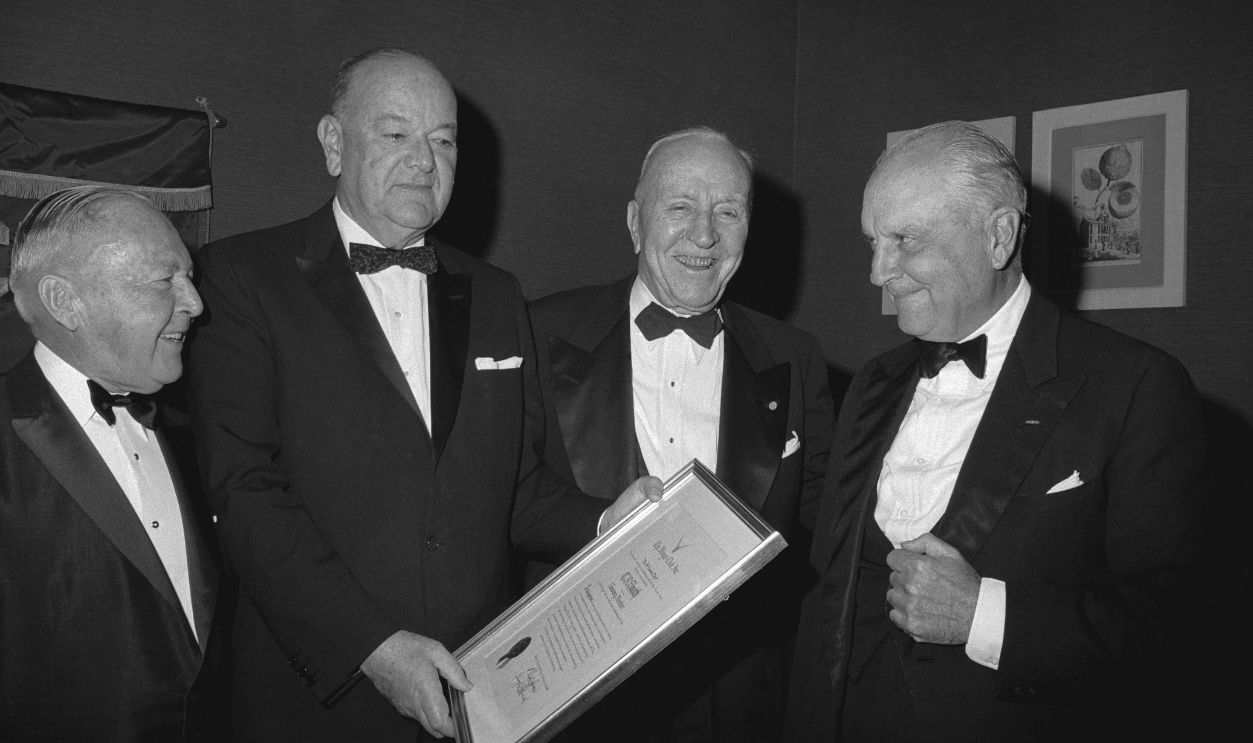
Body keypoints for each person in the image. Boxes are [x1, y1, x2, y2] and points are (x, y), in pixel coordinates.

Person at [187, 47, 657, 742]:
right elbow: (245, 493)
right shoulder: (241, 278)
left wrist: (601, 523)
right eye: (396, 133)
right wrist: (374, 647)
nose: (423, 158)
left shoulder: (496, 295)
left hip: (479, 694)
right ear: (332, 142)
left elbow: (516, 488)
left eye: (443, 139)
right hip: (317, 698)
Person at [785, 121, 1207, 742]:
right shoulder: (873, 381)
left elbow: (1175, 631)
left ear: (999, 235)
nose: (879, 272)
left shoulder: (1137, 387)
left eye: (904, 239)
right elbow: (830, 587)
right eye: (874, 242)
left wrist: (984, 615)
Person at [529, 127, 834, 742]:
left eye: (729, 211)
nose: (704, 235)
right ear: (636, 223)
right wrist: (597, 523)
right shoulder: (537, 333)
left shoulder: (795, 356)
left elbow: (828, 523)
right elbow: (498, 497)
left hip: (743, 706)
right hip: (583, 703)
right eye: (680, 208)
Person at [0, 185, 227, 740]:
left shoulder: (197, 433)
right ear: (64, 301)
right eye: (163, 281)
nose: (195, 303)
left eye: (190, 277)